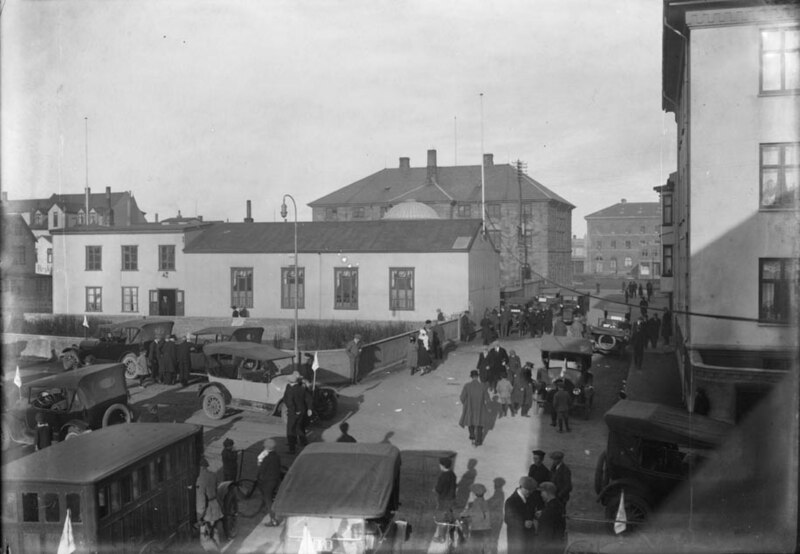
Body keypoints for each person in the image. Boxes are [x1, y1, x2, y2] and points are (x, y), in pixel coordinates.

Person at [503, 476, 539, 554]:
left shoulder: (530, 499)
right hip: (517, 540)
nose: (529, 493)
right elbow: (508, 519)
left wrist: (535, 515)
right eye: (528, 491)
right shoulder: (511, 501)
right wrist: (523, 523)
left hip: (528, 539)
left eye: (531, 491)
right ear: (523, 488)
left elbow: (531, 513)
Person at [196, 457, 224, 548]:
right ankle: (218, 548)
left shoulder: (201, 479)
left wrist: (199, 516)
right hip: (215, 505)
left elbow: (201, 500)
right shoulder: (213, 475)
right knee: (214, 530)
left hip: (208, 510)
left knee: (206, 535)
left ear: (200, 467)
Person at [282, 371, 312, 454]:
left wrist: (294, 412)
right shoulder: (301, 387)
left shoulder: (290, 389)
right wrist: (309, 408)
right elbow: (308, 398)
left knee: (291, 430)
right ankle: (304, 442)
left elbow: (288, 401)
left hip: (294, 412)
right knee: (299, 427)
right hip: (302, 410)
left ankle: (292, 448)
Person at [459, 370, 490, 446]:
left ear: (471, 377)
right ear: (477, 376)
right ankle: (479, 441)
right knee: (480, 423)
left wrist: (466, 404)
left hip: (470, 407)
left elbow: (462, 398)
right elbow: (487, 399)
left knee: (470, 421)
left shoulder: (467, 386)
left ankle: (472, 436)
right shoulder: (482, 386)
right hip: (480, 408)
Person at [535, 481, 566, 554]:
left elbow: (546, 532)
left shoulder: (549, 510)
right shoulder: (558, 505)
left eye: (542, 492)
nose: (541, 495)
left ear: (546, 492)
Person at [257, 438, 282, 526]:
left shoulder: (266, 458)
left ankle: (273, 519)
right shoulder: (277, 456)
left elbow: (261, 470)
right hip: (276, 480)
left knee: (268, 499)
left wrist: (260, 462)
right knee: (271, 497)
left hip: (268, 482)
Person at [460, 483, 491, 554]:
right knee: (487, 551)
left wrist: (462, 514)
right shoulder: (486, 503)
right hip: (488, 530)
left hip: (477, 531)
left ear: (474, 494)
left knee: (476, 551)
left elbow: (465, 514)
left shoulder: (474, 504)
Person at [433, 457, 457, 541]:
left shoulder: (442, 476)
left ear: (443, 466)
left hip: (443, 500)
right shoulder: (453, 474)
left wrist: (435, 489)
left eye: (440, 465)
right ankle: (450, 529)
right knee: (448, 515)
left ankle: (441, 537)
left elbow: (439, 489)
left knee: (441, 519)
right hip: (451, 499)